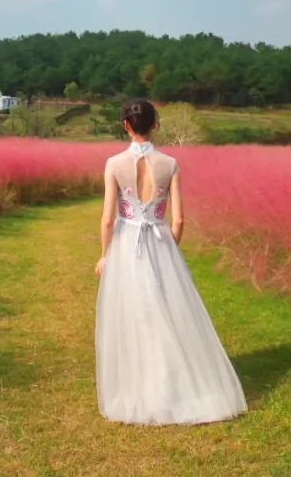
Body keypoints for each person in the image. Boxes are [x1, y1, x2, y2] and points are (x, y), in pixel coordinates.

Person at [94, 98, 248, 425]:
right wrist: (168, 251)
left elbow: (107, 218)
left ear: (125, 125)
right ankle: (172, 383)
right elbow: (178, 220)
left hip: (126, 245)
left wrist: (105, 255)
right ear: (155, 124)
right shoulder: (170, 164)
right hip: (161, 243)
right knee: (165, 313)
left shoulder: (113, 164)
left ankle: (143, 386)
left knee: (135, 314)